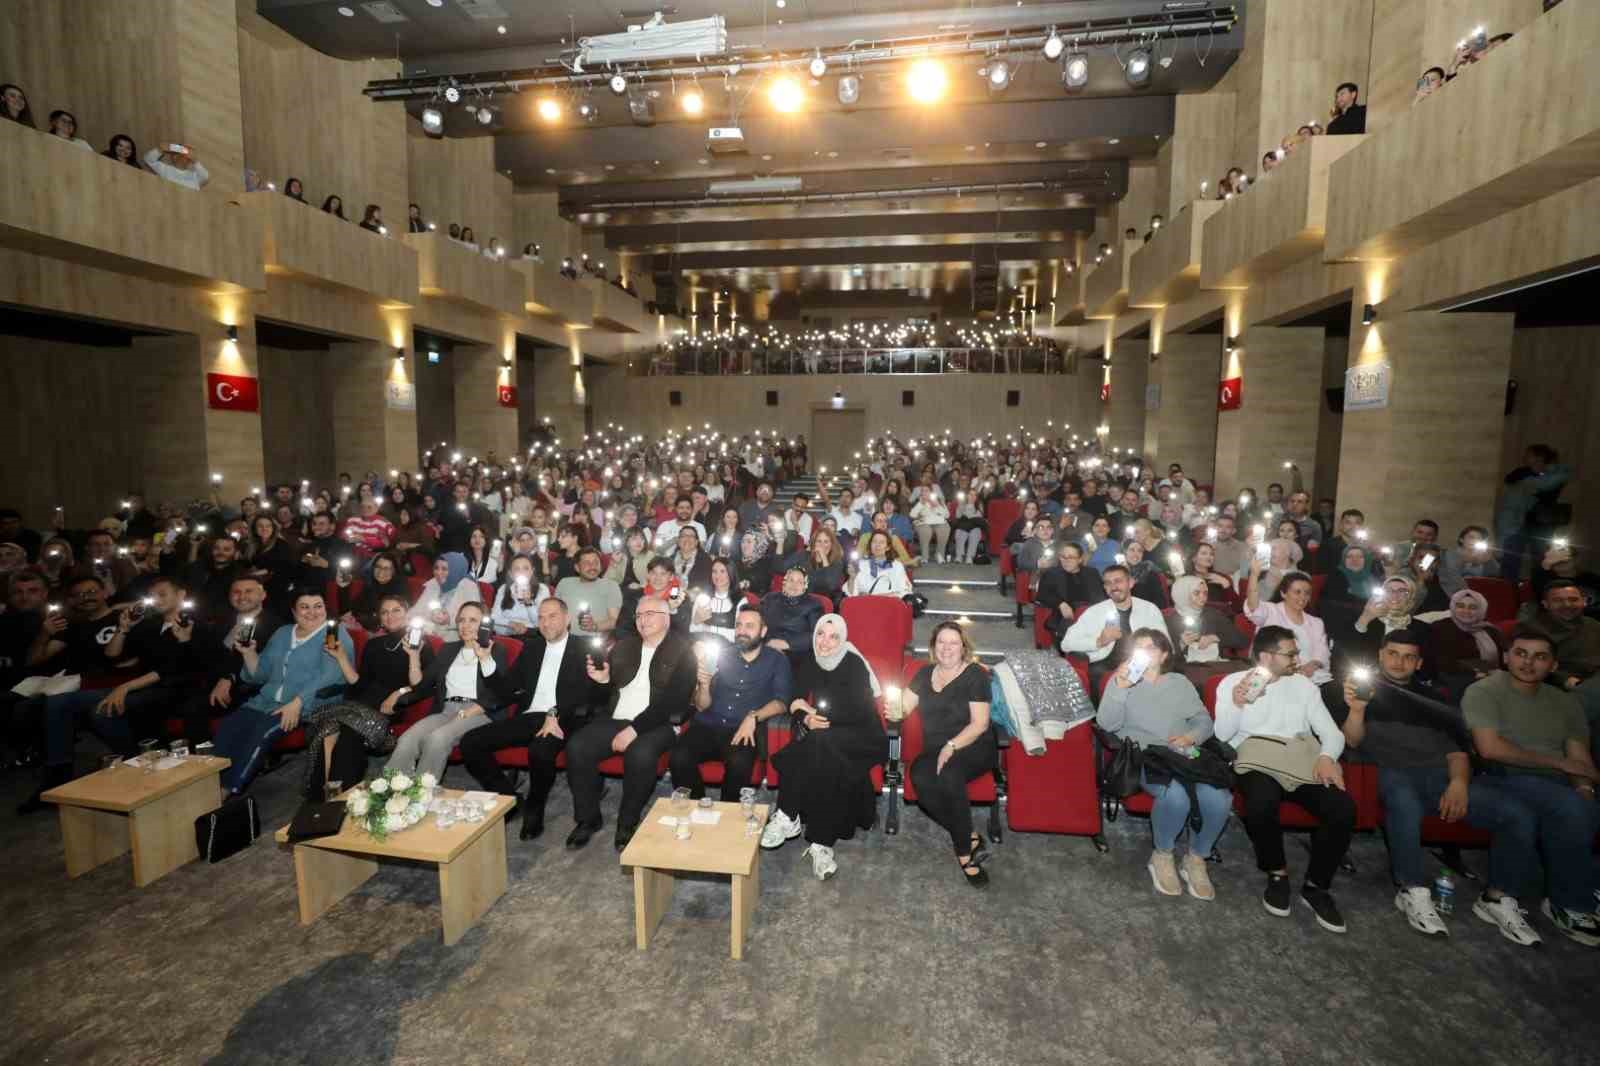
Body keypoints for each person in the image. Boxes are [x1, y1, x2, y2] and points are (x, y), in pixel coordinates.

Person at [1336, 629, 1541, 945]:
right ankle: (1412, 889)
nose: (1399, 662)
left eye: (1408, 656)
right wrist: (1357, 709)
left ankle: (1497, 898)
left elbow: (1457, 750)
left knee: (1516, 813)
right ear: (1380, 655)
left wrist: (1459, 782)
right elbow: (1351, 741)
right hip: (1389, 774)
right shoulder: (1360, 689)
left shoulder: (1436, 696)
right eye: (1392, 653)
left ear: (1418, 662)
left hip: (1440, 777)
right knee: (1403, 799)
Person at [1462, 627, 1600, 945]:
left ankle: (1579, 885)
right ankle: (1571, 904)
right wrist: (1558, 766)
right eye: (1521, 654)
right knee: (1568, 807)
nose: (1529, 663)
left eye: (1540, 657)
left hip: (1559, 784)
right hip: (1502, 776)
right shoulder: (1484, 690)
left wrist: (1585, 790)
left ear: (1553, 665)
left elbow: (1578, 758)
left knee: (1582, 807)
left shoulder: (1565, 703)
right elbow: (1489, 748)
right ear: (1507, 657)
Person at [1214, 625, 1356, 933]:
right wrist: (1238, 704)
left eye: (1295, 652)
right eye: (1290, 653)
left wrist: (1327, 757)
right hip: (1257, 756)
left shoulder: (1304, 687)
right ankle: (1277, 873)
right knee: (1261, 802)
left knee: (1342, 808)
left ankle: (1317, 886)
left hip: (1302, 757)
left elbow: (1330, 732)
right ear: (1266, 656)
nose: (1296, 659)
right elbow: (1223, 735)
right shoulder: (1233, 683)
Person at [18, 577, 198, 810]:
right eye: (154, 596)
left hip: (170, 688)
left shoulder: (191, 623)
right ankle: (57, 776)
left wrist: (123, 687)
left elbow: (169, 671)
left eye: (163, 594)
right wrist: (123, 629)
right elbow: (112, 655)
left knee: (102, 710)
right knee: (58, 701)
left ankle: (139, 762)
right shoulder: (149, 625)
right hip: (141, 685)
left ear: (181, 595)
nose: (157, 600)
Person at [1096, 628, 1227, 900]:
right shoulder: (1120, 681)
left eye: (1151, 647)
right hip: (1145, 756)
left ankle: (1197, 858)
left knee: (1219, 797)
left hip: (1182, 752)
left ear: (1164, 654)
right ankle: (1163, 855)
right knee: (1175, 796)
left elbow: (1203, 721)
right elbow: (1107, 724)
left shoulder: (1179, 682)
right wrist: (1120, 689)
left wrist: (1190, 737)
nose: (1143, 652)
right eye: (1138, 647)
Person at [761, 612, 889, 879]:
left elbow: (859, 711)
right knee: (823, 753)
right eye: (821, 634)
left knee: (815, 743)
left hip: (862, 735)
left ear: (842, 639)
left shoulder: (853, 663)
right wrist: (806, 715)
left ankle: (787, 814)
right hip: (826, 734)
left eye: (833, 637)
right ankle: (821, 845)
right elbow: (794, 698)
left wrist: (814, 715)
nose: (826, 642)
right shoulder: (811, 660)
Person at [565, 593, 696, 850]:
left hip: (659, 724)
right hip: (616, 718)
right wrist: (602, 682)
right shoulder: (624, 646)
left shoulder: (683, 652)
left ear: (666, 618)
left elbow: (673, 702)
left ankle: (627, 821)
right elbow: (605, 695)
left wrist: (634, 729)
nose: (642, 620)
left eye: (649, 614)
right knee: (577, 746)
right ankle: (588, 819)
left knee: (640, 753)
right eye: (638, 615)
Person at [459, 597, 596, 840]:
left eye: (552, 616)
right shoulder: (532, 647)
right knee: (470, 742)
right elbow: (506, 690)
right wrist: (486, 660)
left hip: (565, 718)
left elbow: (586, 695)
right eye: (541, 617)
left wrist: (554, 713)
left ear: (567, 619)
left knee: (540, 751)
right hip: (531, 717)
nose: (546, 622)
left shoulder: (584, 648)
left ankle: (535, 805)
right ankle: (510, 799)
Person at [214, 590, 352, 793]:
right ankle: (208, 785)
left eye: (318, 606)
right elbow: (260, 675)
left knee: (262, 731)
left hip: (311, 704)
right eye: (305, 607)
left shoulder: (335, 633)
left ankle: (228, 789)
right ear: (294, 612)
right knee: (229, 727)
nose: (312, 612)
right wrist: (249, 653)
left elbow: (331, 675)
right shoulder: (283, 633)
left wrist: (298, 702)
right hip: (265, 701)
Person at [300, 594, 432, 799]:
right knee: (325, 731)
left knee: (347, 734)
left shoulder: (420, 644)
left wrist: (400, 691)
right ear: (380, 617)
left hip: (388, 708)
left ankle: (341, 798)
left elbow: (424, 685)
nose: (390, 616)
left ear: (407, 614)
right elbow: (360, 684)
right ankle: (324, 796)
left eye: (396, 610)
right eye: (385, 612)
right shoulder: (374, 645)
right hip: (360, 703)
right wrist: (341, 657)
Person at [903, 622, 995, 888]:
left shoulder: (975, 674)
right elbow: (903, 707)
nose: (946, 648)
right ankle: (969, 834)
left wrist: (952, 745)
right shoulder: (923, 674)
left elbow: (979, 724)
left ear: (963, 647)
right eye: (941, 642)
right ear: (933, 647)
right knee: (920, 775)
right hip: (936, 748)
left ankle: (964, 854)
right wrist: (895, 709)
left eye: (953, 642)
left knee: (949, 774)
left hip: (973, 744)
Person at [673, 603, 792, 803]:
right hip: (708, 724)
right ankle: (697, 807)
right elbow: (702, 706)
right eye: (739, 625)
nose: (742, 631)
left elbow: (782, 702)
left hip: (742, 729)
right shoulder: (722, 655)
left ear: (763, 631)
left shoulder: (776, 660)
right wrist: (704, 685)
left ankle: (728, 817)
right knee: (678, 756)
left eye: (749, 626)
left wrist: (754, 716)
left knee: (739, 763)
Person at [1060, 563, 1166, 694]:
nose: (1113, 587)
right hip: (1105, 665)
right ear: (1104, 588)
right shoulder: (1094, 612)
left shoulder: (1149, 609)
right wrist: (1099, 641)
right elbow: (1066, 644)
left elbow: (1165, 643)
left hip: (1143, 663)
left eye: (1118, 581)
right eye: (1108, 583)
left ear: (1131, 583)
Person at [1244, 561, 1336, 704]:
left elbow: (1322, 651)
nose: (1303, 597)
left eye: (1307, 593)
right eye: (1297, 592)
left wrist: (1312, 665)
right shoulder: (1270, 611)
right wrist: (1255, 575)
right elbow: (1253, 606)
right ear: (1283, 593)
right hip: (1278, 675)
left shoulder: (1316, 622)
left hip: (1314, 677)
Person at [1528, 580, 1600, 755]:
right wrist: (1564, 680)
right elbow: (1530, 666)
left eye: (1573, 599)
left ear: (1584, 601)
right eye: (1558, 600)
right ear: (1546, 604)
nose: (1567, 604)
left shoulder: (1594, 625)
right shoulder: (1532, 629)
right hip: (1562, 687)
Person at [1165, 575, 1247, 683]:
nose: (1202, 597)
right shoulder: (1170, 621)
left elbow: (1242, 641)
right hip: (1188, 670)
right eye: (1196, 593)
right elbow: (1165, 659)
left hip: (1216, 665)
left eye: (1205, 593)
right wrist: (1181, 644)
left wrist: (1215, 638)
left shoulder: (1213, 614)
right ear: (1183, 594)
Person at [1430, 589, 1506, 690]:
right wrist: (1478, 671)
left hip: (1493, 680)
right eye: (1460, 606)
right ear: (1453, 607)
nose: (1466, 611)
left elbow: (1503, 661)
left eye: (1473, 607)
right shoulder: (1439, 627)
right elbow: (1441, 662)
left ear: (1481, 609)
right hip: (1456, 682)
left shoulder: (1490, 630)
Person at [409, 552, 481, 644]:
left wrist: (449, 620)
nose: (438, 573)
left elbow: (473, 620)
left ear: (455, 570)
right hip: (428, 635)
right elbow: (416, 611)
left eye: (444, 569)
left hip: (456, 639)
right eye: (436, 568)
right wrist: (429, 616)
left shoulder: (469, 587)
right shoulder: (433, 583)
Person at [760, 566, 824, 664]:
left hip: (796, 653)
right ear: (784, 583)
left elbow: (817, 634)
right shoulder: (770, 598)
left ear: (805, 586)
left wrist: (787, 644)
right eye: (791, 580)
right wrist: (768, 643)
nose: (794, 585)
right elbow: (758, 623)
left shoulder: (814, 605)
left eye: (799, 582)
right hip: (766, 648)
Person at [556, 546, 623, 637]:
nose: (592, 566)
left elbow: (614, 620)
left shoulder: (610, 586)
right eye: (587, 563)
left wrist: (594, 626)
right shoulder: (564, 583)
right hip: (564, 639)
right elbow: (554, 612)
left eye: (596, 562)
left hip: (593, 641)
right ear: (577, 567)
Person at [489, 554, 549, 636]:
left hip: (531, 634)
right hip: (507, 631)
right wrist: (511, 623)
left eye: (526, 568)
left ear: (532, 571)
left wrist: (528, 603)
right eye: (517, 569)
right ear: (511, 574)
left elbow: (540, 623)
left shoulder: (542, 589)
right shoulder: (504, 589)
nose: (522, 572)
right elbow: (494, 617)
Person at [844, 530, 911, 599]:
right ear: (870, 545)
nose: (877, 545)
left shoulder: (897, 566)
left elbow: (905, 591)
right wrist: (852, 577)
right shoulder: (861, 565)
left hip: (890, 606)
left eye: (881, 542)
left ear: (888, 547)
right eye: (874, 541)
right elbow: (850, 594)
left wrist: (876, 597)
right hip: (865, 606)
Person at [141, 143, 210, 190]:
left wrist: (195, 162)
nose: (188, 157)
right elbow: (148, 159)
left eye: (189, 155)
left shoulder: (194, 176)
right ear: (175, 157)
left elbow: (205, 177)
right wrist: (164, 148)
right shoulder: (165, 169)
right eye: (185, 154)